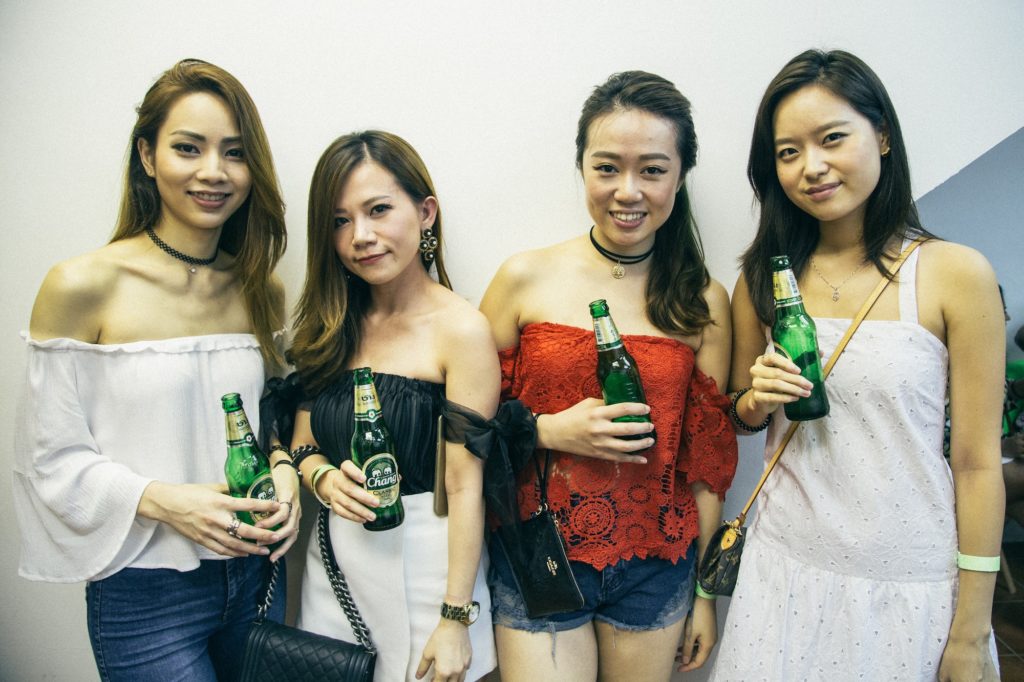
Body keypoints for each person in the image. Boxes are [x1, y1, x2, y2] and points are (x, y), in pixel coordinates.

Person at [712, 49, 1004, 681]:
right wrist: (755, 400)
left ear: (883, 136)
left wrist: (972, 627)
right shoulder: (763, 280)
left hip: (909, 580)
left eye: (832, 138)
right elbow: (739, 418)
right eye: (788, 152)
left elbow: (978, 464)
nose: (811, 166)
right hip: (782, 569)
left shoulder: (955, 274)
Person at [13, 59, 299, 681]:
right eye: (188, 148)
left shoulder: (260, 289)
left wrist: (284, 469)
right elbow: (49, 458)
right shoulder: (81, 285)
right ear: (146, 155)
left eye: (234, 152)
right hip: (145, 592)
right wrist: (168, 503)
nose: (213, 171)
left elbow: (267, 420)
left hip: (258, 572)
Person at [479, 71, 737, 681]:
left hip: (658, 563)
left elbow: (707, 463)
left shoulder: (702, 300)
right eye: (606, 168)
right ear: (582, 168)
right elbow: (465, 423)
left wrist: (705, 594)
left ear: (680, 175)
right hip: (538, 551)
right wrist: (548, 430)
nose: (628, 191)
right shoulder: (523, 278)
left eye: (652, 170)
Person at [282, 131, 498, 682]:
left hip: (431, 569)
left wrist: (455, 617)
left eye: (378, 210)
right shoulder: (330, 324)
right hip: (335, 572)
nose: (361, 236)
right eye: (340, 220)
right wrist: (323, 479)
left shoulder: (462, 330)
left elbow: (465, 485)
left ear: (425, 213)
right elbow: (303, 444)